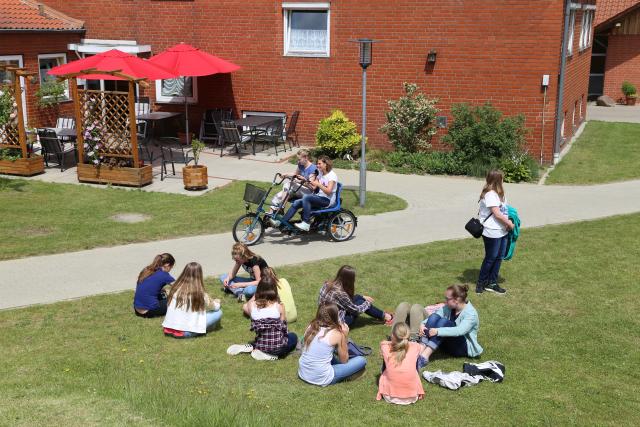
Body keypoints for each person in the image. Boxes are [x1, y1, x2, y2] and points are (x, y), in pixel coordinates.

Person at [227, 274, 297, 361]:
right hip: (278, 348)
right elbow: (283, 326)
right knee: (293, 336)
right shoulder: (279, 306)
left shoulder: (252, 306)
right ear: (274, 290)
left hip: (261, 344)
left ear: (258, 290)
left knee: (264, 336)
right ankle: (272, 356)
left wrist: (256, 295)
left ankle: (253, 346)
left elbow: (249, 303)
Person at [298, 303, 367, 386]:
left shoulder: (311, 326)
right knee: (361, 360)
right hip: (322, 378)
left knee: (327, 353)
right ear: (335, 316)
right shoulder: (336, 334)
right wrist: (344, 336)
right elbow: (344, 361)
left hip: (303, 373)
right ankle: (347, 375)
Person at [271, 155, 338, 232]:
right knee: (296, 202)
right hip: (319, 197)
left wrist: (318, 184)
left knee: (306, 197)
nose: (317, 165)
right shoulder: (320, 173)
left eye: (319, 164)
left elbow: (329, 191)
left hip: (327, 200)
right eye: (317, 163)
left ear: (326, 164)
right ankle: (282, 222)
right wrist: (304, 180)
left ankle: (306, 223)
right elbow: (313, 186)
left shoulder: (332, 175)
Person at [418, 284, 483, 363]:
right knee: (434, 316)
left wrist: (438, 331)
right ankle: (421, 348)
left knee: (443, 322)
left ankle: (424, 357)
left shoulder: (471, 313)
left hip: (462, 348)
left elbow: (460, 331)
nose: (445, 301)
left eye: (447, 299)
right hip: (447, 343)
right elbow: (436, 314)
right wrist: (423, 324)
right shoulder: (449, 307)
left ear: (456, 300)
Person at [476, 169, 514, 294]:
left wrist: (507, 224)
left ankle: (492, 282)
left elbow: (504, 211)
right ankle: (481, 283)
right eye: (502, 178)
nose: (504, 180)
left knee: (499, 257)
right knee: (491, 258)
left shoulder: (500, 194)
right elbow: (497, 214)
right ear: (498, 180)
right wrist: (509, 223)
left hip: (502, 230)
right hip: (492, 231)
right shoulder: (490, 194)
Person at [318, 265, 393, 327]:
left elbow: (344, 300)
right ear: (349, 279)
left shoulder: (327, 284)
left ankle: (383, 315)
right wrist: (367, 303)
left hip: (322, 317)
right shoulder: (341, 293)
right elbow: (356, 310)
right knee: (360, 302)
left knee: (358, 298)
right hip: (336, 324)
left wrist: (362, 296)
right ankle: (387, 317)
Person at [162, 262, 223, 338]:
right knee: (218, 312)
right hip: (185, 332)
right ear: (199, 275)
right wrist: (217, 302)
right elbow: (214, 307)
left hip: (168, 328)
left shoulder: (175, 287)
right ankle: (204, 330)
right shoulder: (199, 293)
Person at [377, 322, 426, 405]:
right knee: (415, 364)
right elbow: (421, 346)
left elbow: (383, 343)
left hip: (389, 396)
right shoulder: (415, 347)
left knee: (385, 368)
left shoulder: (385, 347)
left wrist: (391, 342)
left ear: (393, 335)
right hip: (413, 396)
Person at [268, 149, 318, 215]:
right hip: (298, 189)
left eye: (299, 159)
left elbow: (312, 187)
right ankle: (269, 217)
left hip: (309, 192)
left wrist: (300, 181)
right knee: (277, 197)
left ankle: (281, 207)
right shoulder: (301, 165)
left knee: (289, 185)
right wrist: (285, 174)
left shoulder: (313, 168)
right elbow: (295, 174)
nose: (298, 161)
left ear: (305, 157)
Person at [133, 253, 176, 318]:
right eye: (171, 267)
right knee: (175, 300)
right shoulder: (164, 275)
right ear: (167, 264)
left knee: (163, 294)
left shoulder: (147, 270)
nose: (170, 270)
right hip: (149, 310)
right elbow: (179, 287)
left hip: (137, 309)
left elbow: (149, 286)